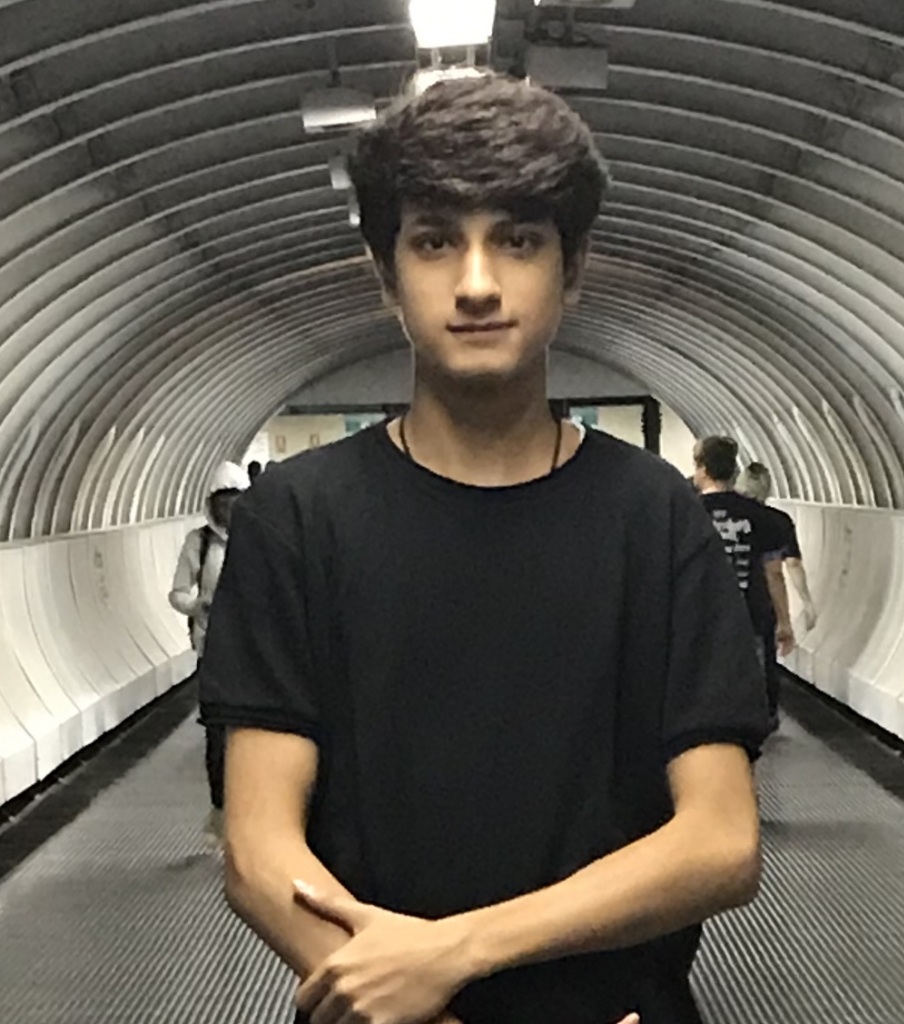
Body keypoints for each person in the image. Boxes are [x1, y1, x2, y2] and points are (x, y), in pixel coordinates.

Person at [199, 74, 770, 1024]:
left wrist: (457, 950)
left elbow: (719, 840)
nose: (475, 283)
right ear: (385, 274)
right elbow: (259, 856)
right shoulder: (296, 518)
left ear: (571, 268)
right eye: (433, 242)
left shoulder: (653, 514)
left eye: (517, 240)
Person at [169, 460, 250, 841]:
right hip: (213, 648)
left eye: (235, 500)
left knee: (251, 731)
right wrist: (197, 605)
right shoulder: (198, 543)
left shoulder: (260, 537)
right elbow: (178, 592)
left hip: (253, 649)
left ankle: (253, 810)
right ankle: (220, 809)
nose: (228, 508)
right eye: (223, 501)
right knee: (217, 732)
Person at [693, 438, 795, 730]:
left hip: (699, 619)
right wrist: (784, 622)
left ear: (703, 469)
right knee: (755, 688)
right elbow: (774, 573)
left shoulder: (684, 513)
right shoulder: (765, 518)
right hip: (752, 615)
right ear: (734, 471)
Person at [737, 461, 817, 722]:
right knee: (762, 661)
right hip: (759, 605)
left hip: (722, 604)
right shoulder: (777, 521)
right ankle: (763, 716)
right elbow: (784, 568)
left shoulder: (720, 513)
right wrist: (801, 608)